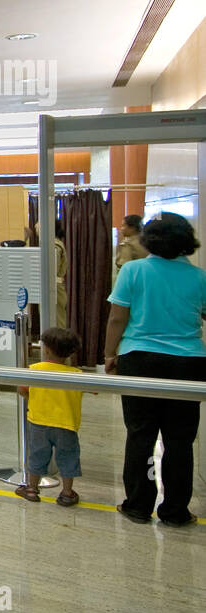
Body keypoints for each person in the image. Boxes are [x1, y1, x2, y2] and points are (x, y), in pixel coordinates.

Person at [105, 213, 206, 527]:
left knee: (140, 435)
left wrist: (110, 353)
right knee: (179, 440)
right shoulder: (200, 277)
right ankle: (175, 511)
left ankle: (137, 505)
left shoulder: (134, 271)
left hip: (140, 358)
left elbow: (117, 318)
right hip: (188, 362)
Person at [15, 327, 83, 506]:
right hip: (66, 425)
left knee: (37, 456)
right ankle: (67, 493)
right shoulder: (77, 375)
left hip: (38, 422)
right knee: (68, 458)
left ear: (46, 349)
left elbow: (22, 390)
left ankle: (31, 489)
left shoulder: (34, 369)